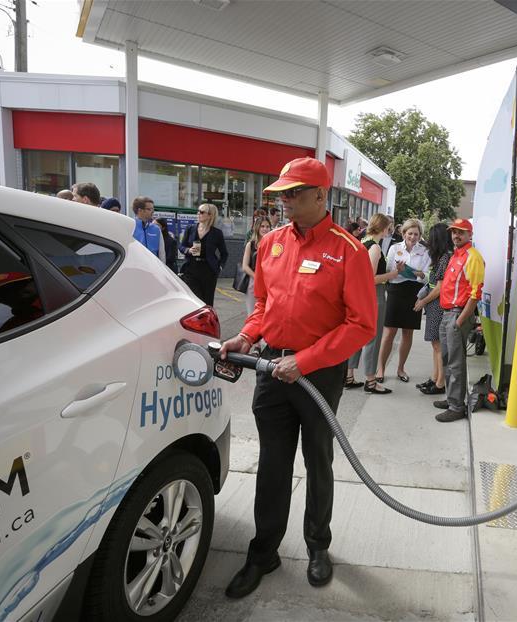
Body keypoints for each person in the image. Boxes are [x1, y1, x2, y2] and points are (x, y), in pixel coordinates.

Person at [218, 157, 375, 598]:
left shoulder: (349, 250)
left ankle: (317, 547)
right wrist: (246, 337)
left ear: (321, 195)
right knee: (272, 465)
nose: (284, 201)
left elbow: (361, 324)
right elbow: (263, 306)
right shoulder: (271, 244)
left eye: (294, 193)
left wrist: (305, 361)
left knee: (318, 461)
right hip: (271, 370)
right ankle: (263, 552)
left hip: (318, 376)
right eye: (282, 193)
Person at [433, 218, 484, 422]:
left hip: (457, 314)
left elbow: (475, 293)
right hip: (448, 314)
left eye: (461, 232)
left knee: (455, 362)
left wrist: (460, 320)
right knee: (447, 360)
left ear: (470, 235)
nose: (456, 235)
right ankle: (452, 398)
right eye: (454, 232)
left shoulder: (473, 257)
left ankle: (456, 406)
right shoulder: (456, 255)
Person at [345, 213, 402, 394]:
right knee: (372, 338)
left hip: (360, 296)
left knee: (356, 337)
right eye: (389, 227)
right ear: (384, 228)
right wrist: (393, 274)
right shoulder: (375, 247)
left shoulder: (363, 242)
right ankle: (370, 380)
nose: (390, 230)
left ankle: (349, 375)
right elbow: (370, 278)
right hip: (373, 296)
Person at [376, 218, 431, 383]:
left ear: (420, 235)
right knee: (389, 332)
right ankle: (380, 369)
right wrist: (397, 270)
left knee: (408, 332)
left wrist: (421, 275)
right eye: (410, 233)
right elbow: (386, 270)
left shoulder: (425, 251)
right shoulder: (394, 248)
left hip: (414, 292)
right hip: (395, 291)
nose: (413, 237)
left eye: (416, 234)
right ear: (404, 233)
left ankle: (401, 368)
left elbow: (429, 275)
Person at [413, 223, 454, 395]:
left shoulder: (445, 258)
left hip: (437, 305)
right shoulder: (442, 257)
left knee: (438, 345)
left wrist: (423, 301)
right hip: (434, 305)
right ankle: (434, 378)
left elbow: (439, 288)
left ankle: (440, 383)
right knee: (435, 345)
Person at [180, 203, 228, 306]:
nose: (198, 214)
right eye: (198, 211)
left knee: (207, 302)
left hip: (208, 270)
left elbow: (224, 253)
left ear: (210, 215)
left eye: (201, 212)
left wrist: (219, 267)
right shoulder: (190, 228)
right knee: (194, 300)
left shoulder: (217, 233)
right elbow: (181, 246)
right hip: (191, 268)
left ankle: (206, 322)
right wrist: (188, 250)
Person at [242, 216, 272, 315]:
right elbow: (245, 266)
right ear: (257, 228)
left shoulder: (275, 244)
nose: (265, 229)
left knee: (267, 313)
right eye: (262, 226)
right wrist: (257, 277)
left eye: (267, 226)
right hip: (253, 281)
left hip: (270, 282)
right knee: (252, 313)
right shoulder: (250, 245)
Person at [131, 196, 166, 263]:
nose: (152, 212)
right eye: (149, 209)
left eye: (153, 209)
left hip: (153, 268)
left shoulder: (156, 229)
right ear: (140, 210)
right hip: (135, 267)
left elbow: (162, 254)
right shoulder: (130, 226)